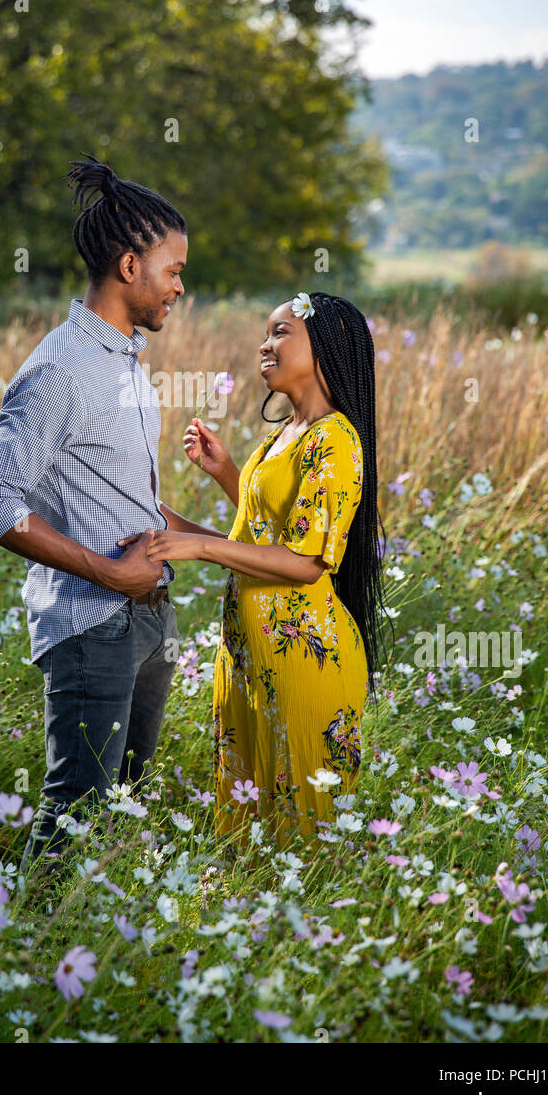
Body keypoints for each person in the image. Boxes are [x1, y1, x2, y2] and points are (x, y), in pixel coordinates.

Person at [0, 154, 228, 872]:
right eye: (172, 270)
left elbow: (130, 496)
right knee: (75, 811)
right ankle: (28, 956)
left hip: (151, 620)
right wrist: (111, 574)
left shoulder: (126, 360)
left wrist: (227, 547)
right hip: (92, 627)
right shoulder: (58, 370)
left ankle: (98, 951)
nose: (180, 286)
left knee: (126, 802)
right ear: (128, 264)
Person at [145, 290, 394, 849]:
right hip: (246, 657)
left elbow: (305, 562)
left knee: (302, 834)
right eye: (266, 331)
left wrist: (199, 550)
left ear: (325, 345)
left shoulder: (337, 440)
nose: (265, 343)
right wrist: (213, 483)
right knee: (249, 827)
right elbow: (261, 542)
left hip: (305, 657)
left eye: (281, 331)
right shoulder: (284, 434)